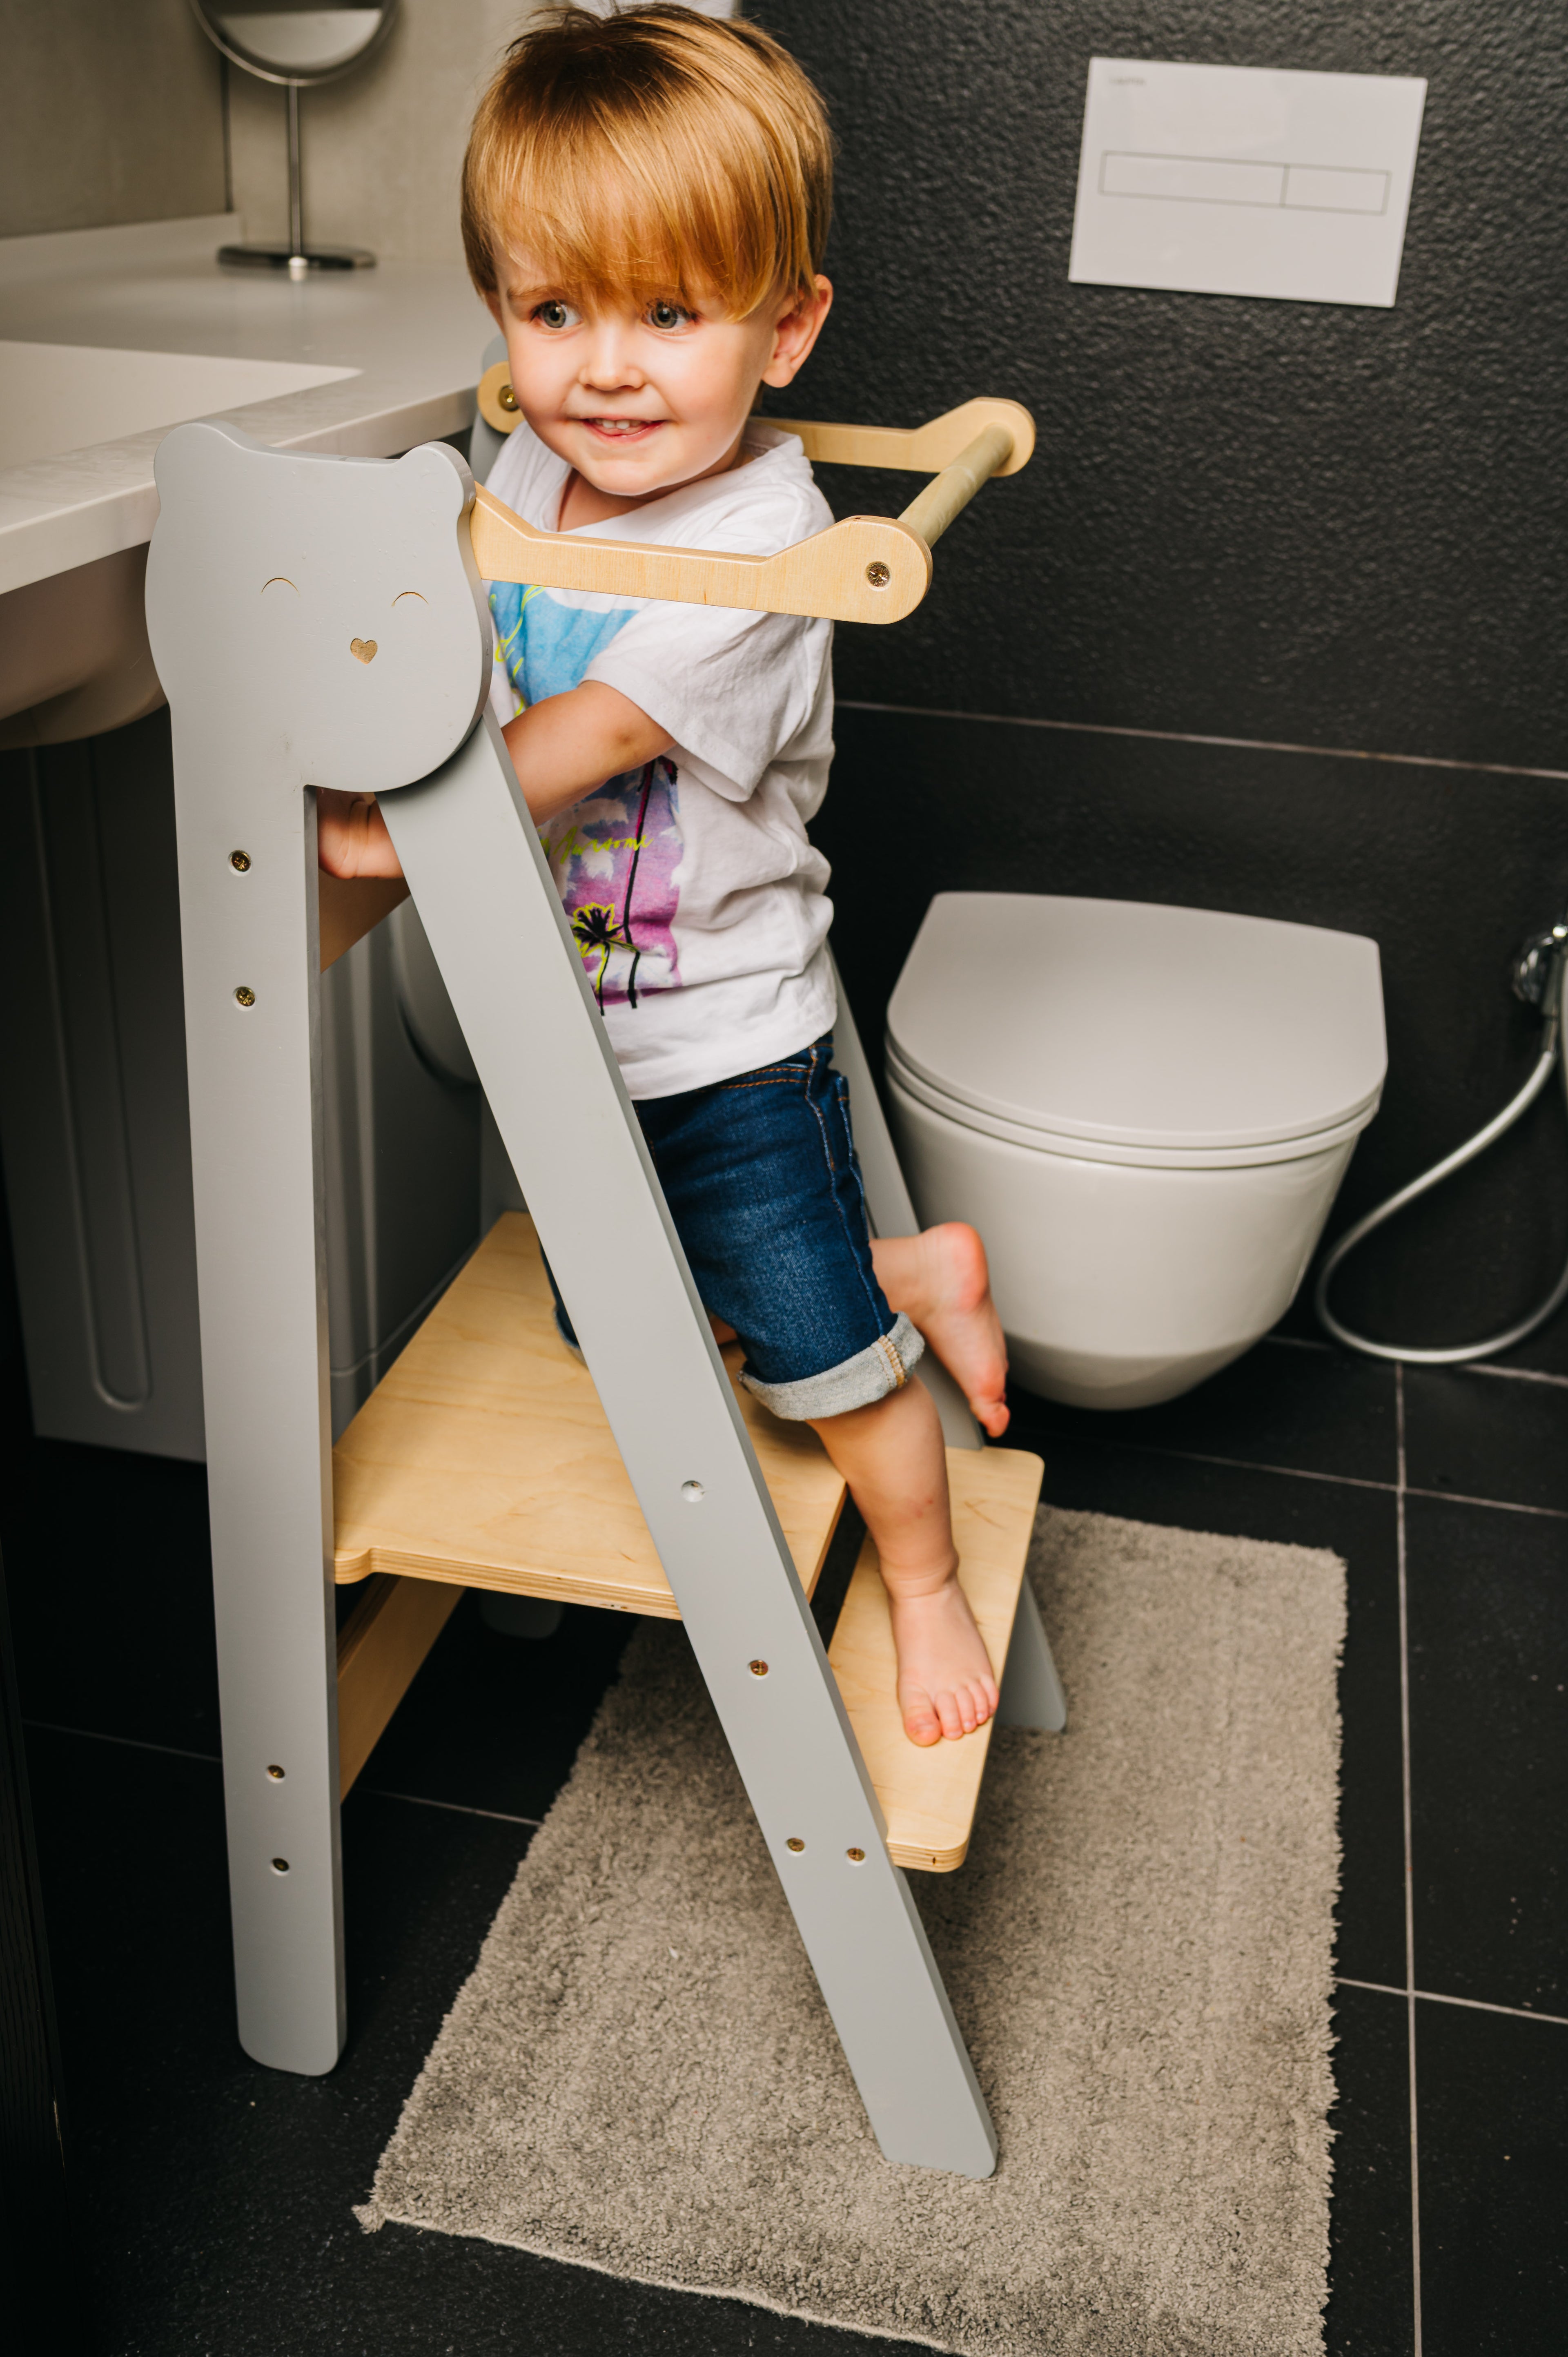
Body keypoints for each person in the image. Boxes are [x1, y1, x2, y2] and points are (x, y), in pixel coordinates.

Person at [318, 3, 1011, 1746]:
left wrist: (382, 839)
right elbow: (462, 647)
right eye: (556, 313)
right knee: (603, 1313)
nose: (605, 370)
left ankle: (921, 1574)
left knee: (815, 1365)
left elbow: (589, 739)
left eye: (668, 316)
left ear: (787, 333)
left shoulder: (762, 546)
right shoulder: (533, 462)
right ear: (501, 313)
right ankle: (915, 1268)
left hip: (720, 1048)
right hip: (575, 1035)